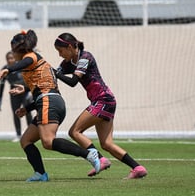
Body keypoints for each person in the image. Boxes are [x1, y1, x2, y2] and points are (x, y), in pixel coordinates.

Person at [0, 30, 100, 182]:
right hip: (49, 101)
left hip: (49, 102)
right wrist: (27, 107)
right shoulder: (32, 63)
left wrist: (8, 69)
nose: (12, 55)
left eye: (13, 51)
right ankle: (40, 174)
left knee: (48, 141)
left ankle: (89, 154)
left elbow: (25, 65)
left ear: (19, 50)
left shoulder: (30, 57)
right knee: (26, 140)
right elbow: (41, 89)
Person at [54, 32, 148, 179]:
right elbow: (54, 76)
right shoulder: (67, 62)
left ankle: (100, 160)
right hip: (105, 100)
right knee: (107, 143)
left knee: (74, 132)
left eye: (60, 51)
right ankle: (137, 168)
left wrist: (55, 73)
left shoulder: (85, 57)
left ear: (71, 47)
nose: (59, 55)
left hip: (103, 100)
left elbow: (72, 82)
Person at [0, 51, 33, 142]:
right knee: (16, 112)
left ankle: (31, 133)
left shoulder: (21, 66)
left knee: (27, 111)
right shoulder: (5, 69)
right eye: (8, 58)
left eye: (12, 58)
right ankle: (18, 134)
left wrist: (30, 91)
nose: (10, 60)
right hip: (14, 92)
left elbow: (30, 77)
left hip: (25, 90)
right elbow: (2, 85)